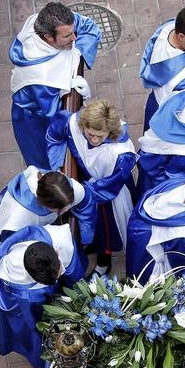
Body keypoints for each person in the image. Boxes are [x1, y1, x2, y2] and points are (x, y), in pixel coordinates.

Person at [46, 100, 136, 273]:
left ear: (111, 131)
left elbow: (109, 188)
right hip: (85, 184)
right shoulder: (72, 123)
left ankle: (104, 264)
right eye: (90, 134)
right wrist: (57, 165)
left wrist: (74, 194)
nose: (94, 139)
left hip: (109, 196)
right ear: (83, 125)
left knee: (107, 231)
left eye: (100, 136)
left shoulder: (122, 155)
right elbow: (53, 134)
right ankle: (92, 244)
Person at [0, 224, 87, 368]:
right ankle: (40, 363)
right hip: (26, 310)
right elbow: (37, 321)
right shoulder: (30, 295)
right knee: (35, 336)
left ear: (56, 252)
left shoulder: (24, 253)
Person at [9, 1, 101, 169]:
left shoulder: (39, 21)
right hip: (35, 120)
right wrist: (82, 100)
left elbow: (88, 27)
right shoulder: (43, 78)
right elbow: (57, 118)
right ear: (48, 37)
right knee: (45, 162)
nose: (74, 38)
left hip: (40, 104)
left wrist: (78, 54)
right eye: (67, 37)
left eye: (73, 33)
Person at [0, 166, 97, 246]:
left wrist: (86, 239)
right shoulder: (20, 218)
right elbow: (12, 242)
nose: (67, 209)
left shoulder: (65, 187)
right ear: (44, 204)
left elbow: (86, 205)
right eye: (61, 209)